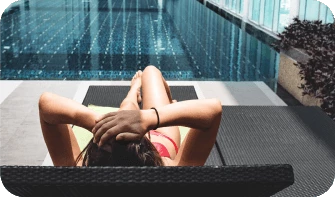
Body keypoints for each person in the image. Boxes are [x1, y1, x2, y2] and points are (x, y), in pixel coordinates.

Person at [39, 65, 222, 167]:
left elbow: (46, 103)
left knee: (126, 109)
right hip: (162, 138)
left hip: (145, 145)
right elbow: (213, 110)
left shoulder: (77, 175)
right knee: (151, 71)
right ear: (147, 151)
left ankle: (133, 91)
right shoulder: (172, 173)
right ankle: (165, 103)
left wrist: (104, 124)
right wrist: (150, 118)